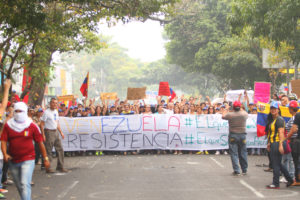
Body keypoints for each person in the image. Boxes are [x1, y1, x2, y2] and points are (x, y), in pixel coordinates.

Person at [1, 102, 50, 200]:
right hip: (13, 160)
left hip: (28, 159)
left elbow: (40, 142)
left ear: (25, 112)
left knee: (24, 183)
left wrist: (45, 158)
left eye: (21, 111)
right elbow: (3, 140)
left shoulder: (32, 125)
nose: (18, 113)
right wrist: (5, 153)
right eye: (16, 111)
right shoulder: (8, 125)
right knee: (19, 185)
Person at [265, 101, 294, 189]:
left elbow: (281, 133)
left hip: (278, 143)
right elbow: (271, 133)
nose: (273, 110)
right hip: (274, 143)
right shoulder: (273, 120)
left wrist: (280, 145)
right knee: (278, 163)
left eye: (275, 109)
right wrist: (269, 143)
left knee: (275, 164)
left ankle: (276, 183)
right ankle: (290, 179)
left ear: (278, 109)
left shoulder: (279, 119)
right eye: (272, 109)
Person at [40, 98, 68, 173]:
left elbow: (57, 122)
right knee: (49, 150)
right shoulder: (46, 112)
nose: (55, 104)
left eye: (56, 103)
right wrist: (43, 134)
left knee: (60, 149)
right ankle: (48, 167)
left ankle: (60, 166)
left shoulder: (56, 111)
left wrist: (61, 132)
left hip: (55, 131)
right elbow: (42, 124)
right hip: (49, 132)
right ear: (50, 104)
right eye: (53, 103)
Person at [222, 101, 248, 176]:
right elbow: (244, 111)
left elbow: (223, 116)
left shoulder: (230, 115)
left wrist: (226, 109)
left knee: (234, 153)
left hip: (233, 135)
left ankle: (237, 170)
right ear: (240, 107)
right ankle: (244, 169)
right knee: (243, 152)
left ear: (233, 107)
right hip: (242, 135)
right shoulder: (244, 114)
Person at [287, 101, 300, 186]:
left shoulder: (297, 116)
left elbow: (294, 129)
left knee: (296, 161)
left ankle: (298, 179)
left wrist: (286, 137)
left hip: (296, 141)